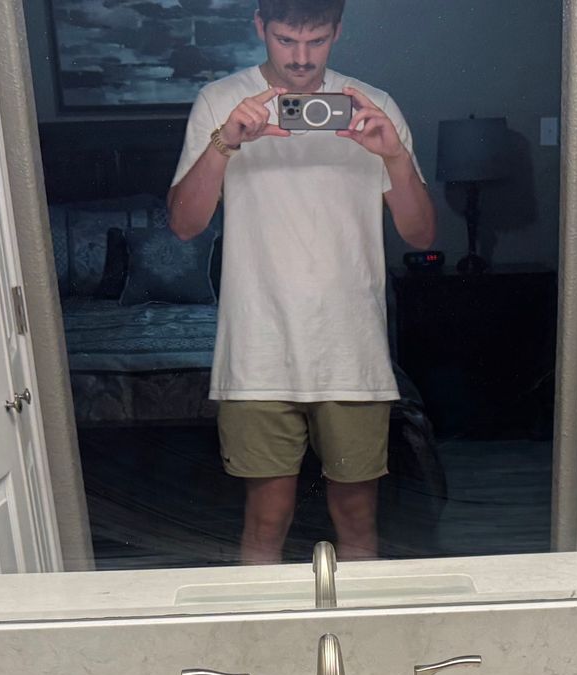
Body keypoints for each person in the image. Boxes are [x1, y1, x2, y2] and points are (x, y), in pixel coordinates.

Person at [168, 0, 436, 565]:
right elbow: (185, 224)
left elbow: (420, 233)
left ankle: (361, 641)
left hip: (351, 346)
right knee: (265, 520)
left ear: (337, 32)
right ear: (261, 28)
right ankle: (263, 646)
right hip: (258, 345)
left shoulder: (373, 106)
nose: (300, 58)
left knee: (358, 520)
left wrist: (394, 157)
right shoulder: (220, 102)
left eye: (315, 42)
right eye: (287, 40)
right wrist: (226, 142)